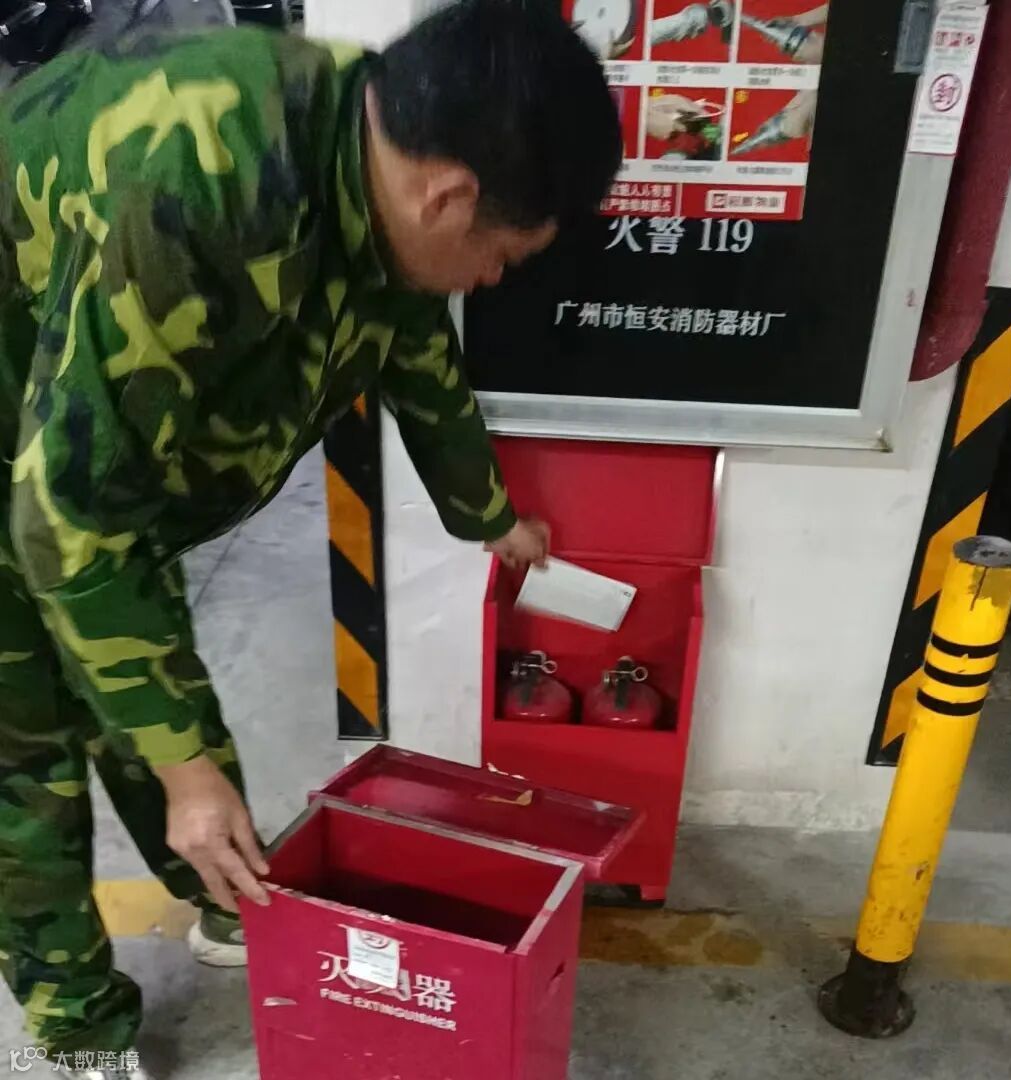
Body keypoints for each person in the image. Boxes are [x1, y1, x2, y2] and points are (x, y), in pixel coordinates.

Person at [0, 1, 622, 1076]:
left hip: (97, 459)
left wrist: (488, 514)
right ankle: (76, 1027)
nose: (495, 279)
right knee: (29, 761)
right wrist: (186, 773)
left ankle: (225, 890)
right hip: (35, 458)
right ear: (449, 196)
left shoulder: (373, 142)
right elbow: (73, 526)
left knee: (156, 702)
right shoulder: (193, 193)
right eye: (503, 255)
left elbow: (409, 340)